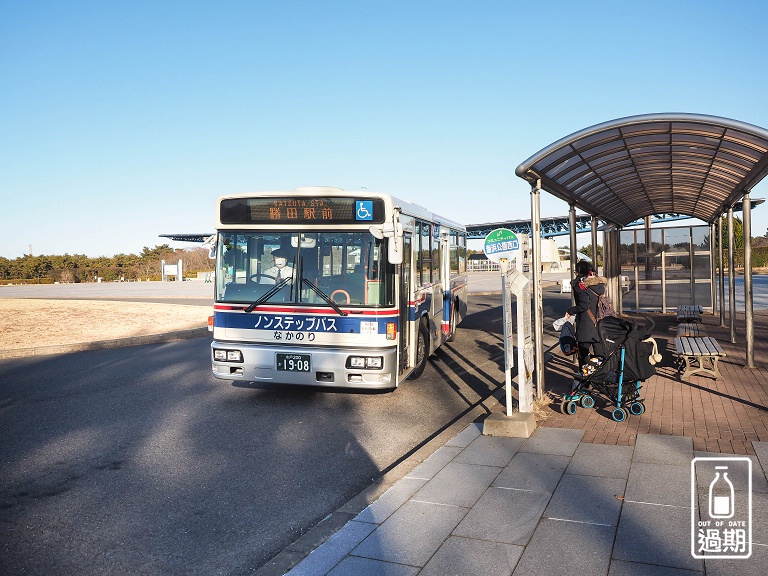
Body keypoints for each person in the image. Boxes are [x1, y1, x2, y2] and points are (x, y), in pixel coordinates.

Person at [565, 260, 606, 367]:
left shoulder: (581, 285)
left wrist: (570, 311)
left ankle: (584, 381)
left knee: (583, 355)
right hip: (599, 322)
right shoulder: (599, 284)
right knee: (600, 354)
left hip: (585, 324)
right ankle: (601, 378)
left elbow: (584, 305)